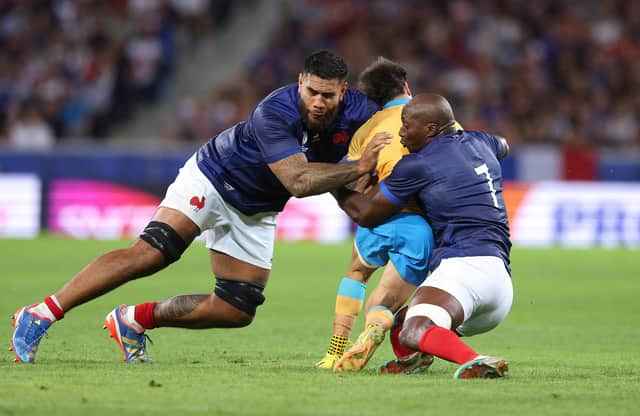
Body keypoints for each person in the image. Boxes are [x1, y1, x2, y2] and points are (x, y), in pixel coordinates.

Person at [10, 50, 391, 364]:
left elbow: (401, 116)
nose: (319, 103)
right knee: (152, 254)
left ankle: (133, 320)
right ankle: (41, 312)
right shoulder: (274, 112)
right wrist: (357, 168)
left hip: (256, 208)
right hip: (213, 177)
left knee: (236, 309)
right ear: (300, 83)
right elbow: (299, 181)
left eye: (328, 95)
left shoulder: (361, 111)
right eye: (312, 92)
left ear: (343, 91)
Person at [334, 93, 513, 379]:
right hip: (500, 287)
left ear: (430, 129)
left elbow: (366, 214)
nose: (400, 132)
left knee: (413, 329)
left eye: (406, 125)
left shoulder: (418, 164)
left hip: (463, 272)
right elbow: (504, 144)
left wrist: (336, 182)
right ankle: (414, 359)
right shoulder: (482, 141)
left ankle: (477, 360)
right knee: (402, 320)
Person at [316, 58, 460, 372]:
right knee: (384, 304)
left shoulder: (367, 128)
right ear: (406, 87)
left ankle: (333, 351)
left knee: (356, 273)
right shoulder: (438, 121)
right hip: (418, 226)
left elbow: (356, 178)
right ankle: (378, 327)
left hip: (375, 219)